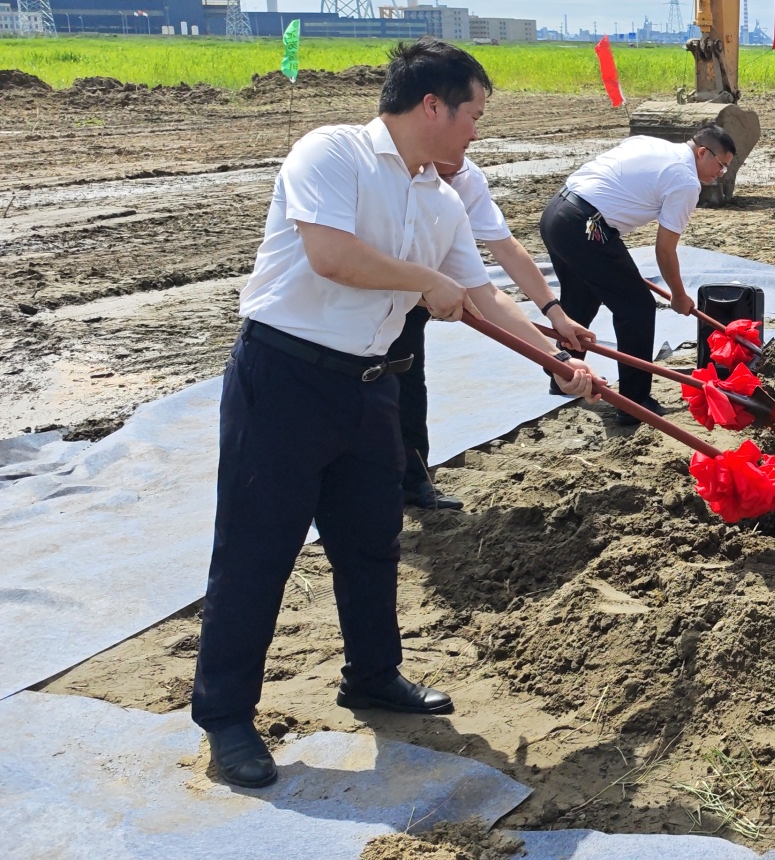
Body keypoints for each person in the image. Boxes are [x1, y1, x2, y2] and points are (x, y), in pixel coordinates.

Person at [192, 39, 599, 789]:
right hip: (284, 377)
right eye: (473, 113)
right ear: (432, 105)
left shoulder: (440, 199)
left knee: (371, 543)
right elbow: (330, 255)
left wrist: (556, 357)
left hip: (372, 387)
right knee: (258, 549)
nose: (477, 130)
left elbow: (480, 297)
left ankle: (373, 675)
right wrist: (419, 281)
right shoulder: (332, 153)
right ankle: (225, 718)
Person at [388, 155, 597, 509]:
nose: (471, 136)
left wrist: (556, 326)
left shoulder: (463, 181)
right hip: (347, 311)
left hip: (411, 305)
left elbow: (498, 266)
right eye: (469, 118)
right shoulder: (382, 170)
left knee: (408, 387)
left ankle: (413, 481)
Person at [539, 127, 735, 420]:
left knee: (580, 302)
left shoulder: (653, 143)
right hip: (587, 225)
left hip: (557, 213)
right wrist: (679, 296)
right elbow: (665, 250)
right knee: (638, 307)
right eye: (720, 164)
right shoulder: (686, 181)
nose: (721, 173)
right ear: (702, 152)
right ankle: (634, 401)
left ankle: (564, 376)